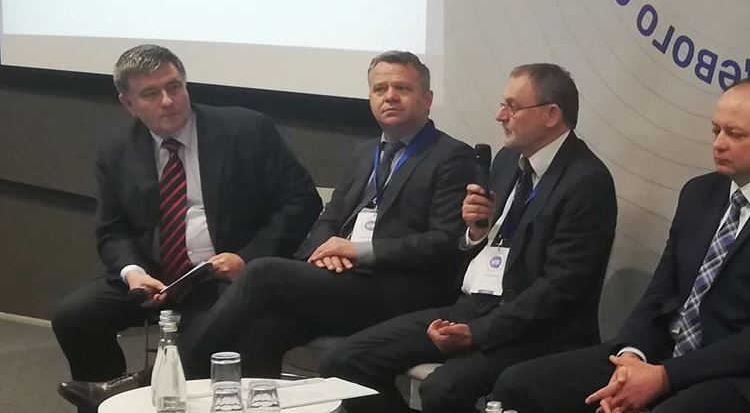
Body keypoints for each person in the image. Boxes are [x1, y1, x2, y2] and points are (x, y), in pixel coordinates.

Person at [492, 79, 750, 413]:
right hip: (662, 351)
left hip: (738, 372)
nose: (719, 144)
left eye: (735, 135)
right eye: (716, 130)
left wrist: (664, 377)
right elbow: (660, 292)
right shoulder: (699, 193)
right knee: (519, 384)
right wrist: (631, 357)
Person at [320, 63, 617, 413]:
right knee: (344, 361)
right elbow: (483, 244)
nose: (499, 116)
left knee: (442, 389)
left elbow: (561, 288)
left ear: (551, 114)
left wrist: (479, 332)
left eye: (512, 107)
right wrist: (475, 232)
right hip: (471, 307)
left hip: (537, 329)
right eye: (502, 105)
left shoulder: (586, 180)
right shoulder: (508, 160)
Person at [52, 44, 323, 412]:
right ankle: (106, 405)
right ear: (128, 103)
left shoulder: (245, 130)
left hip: (226, 277)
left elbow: (302, 201)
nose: (168, 100)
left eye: (174, 86)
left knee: (207, 331)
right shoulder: (116, 149)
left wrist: (248, 258)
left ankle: (124, 391)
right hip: (157, 277)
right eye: (151, 93)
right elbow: (112, 229)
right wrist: (133, 273)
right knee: (74, 317)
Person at [181, 50, 474, 378]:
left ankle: (175, 369)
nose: (389, 96)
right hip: (344, 282)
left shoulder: (451, 156)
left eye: (402, 88)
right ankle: (249, 398)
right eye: (380, 89)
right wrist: (326, 252)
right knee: (263, 330)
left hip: (398, 292)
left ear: (427, 99)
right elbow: (329, 217)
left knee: (262, 272)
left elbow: (444, 241)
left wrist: (357, 251)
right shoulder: (364, 152)